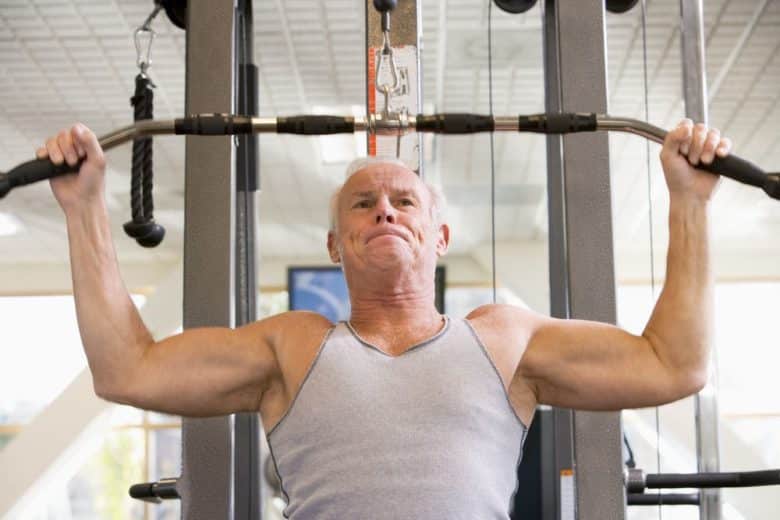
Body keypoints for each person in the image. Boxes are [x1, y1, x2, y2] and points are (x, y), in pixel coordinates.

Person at [38, 119, 731, 519]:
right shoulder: (292, 345)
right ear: (335, 245)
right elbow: (126, 369)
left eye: (404, 201)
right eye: (363, 203)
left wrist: (690, 204)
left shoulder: (504, 339)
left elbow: (674, 364)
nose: (385, 211)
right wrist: (83, 208)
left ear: (440, 237)